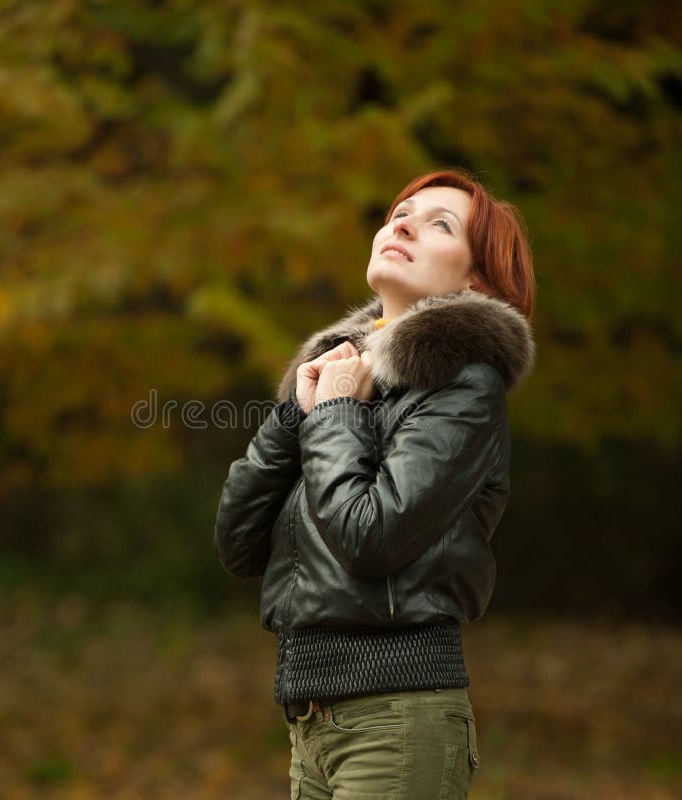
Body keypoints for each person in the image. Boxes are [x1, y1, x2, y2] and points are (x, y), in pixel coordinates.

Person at [214, 168, 536, 799]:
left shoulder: (464, 386)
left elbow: (370, 535)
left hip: (397, 720)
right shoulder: (340, 379)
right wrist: (295, 416)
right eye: (400, 213)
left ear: (475, 279)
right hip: (311, 726)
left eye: (439, 223)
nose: (404, 223)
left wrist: (335, 417)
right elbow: (236, 544)